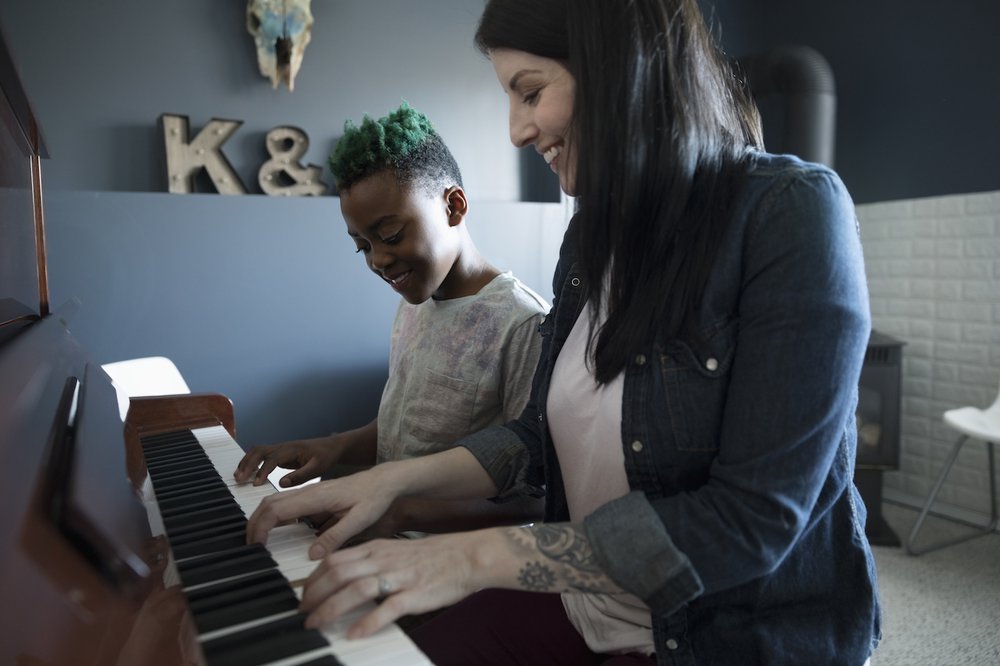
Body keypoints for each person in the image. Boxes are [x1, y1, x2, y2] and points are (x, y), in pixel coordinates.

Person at [246, 1, 882, 664]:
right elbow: (535, 437)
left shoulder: (792, 212)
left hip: (717, 638)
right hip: (588, 602)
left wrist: (475, 555)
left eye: (530, 92)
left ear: (622, 72)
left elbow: (751, 520)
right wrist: (391, 483)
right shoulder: (589, 240)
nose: (517, 130)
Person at [235, 101, 547, 536]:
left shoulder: (523, 324)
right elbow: (408, 427)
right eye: (362, 245)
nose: (379, 260)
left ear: (454, 206)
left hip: (454, 565)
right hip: (388, 539)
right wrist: (332, 446)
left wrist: (395, 514)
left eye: (391, 236)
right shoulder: (414, 301)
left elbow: (535, 495)